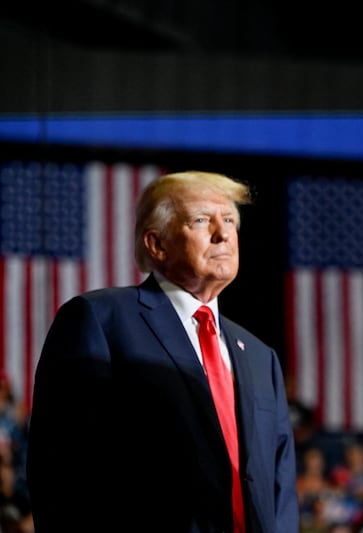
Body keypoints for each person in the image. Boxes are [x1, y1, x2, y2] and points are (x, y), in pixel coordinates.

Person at [26, 171, 299, 532]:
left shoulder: (261, 358)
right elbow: (61, 466)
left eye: (230, 220)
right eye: (202, 220)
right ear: (157, 244)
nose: (223, 234)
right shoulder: (102, 320)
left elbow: (280, 494)